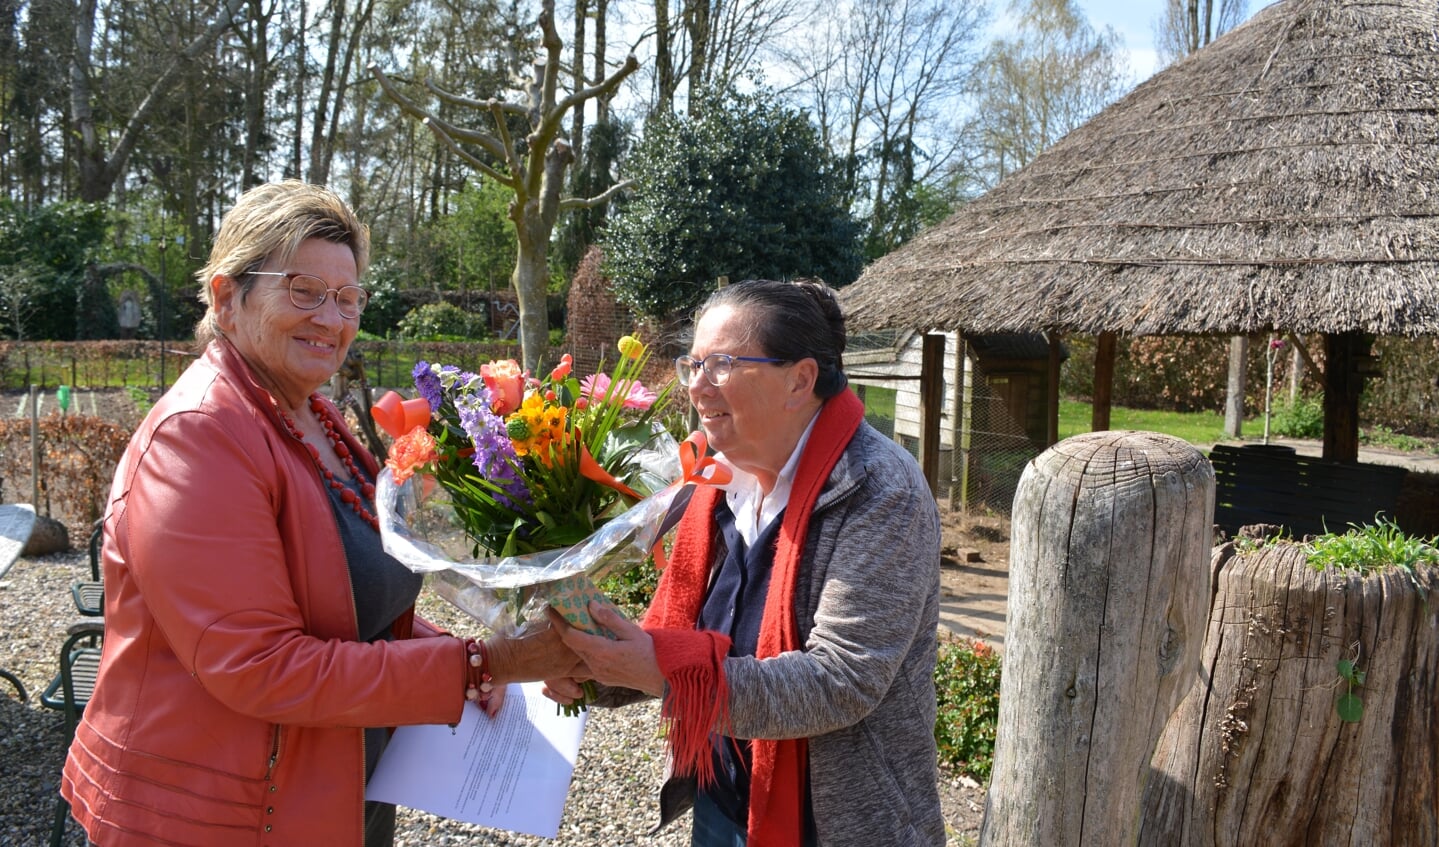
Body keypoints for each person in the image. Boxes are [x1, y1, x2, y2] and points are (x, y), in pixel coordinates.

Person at [61, 181, 582, 847]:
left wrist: (466, 652)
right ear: (226, 296)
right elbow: (262, 665)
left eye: (347, 298)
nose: (331, 320)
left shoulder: (312, 416)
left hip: (326, 786)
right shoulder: (198, 436)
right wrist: (483, 663)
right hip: (219, 814)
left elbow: (344, 603)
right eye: (303, 290)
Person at [545, 278, 945, 846]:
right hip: (723, 796)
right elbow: (685, 638)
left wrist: (660, 674)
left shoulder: (879, 490)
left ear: (800, 380)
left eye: (723, 364)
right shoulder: (716, 481)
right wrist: (596, 667)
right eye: (693, 365)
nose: (697, 387)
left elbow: (842, 681)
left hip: (829, 827)